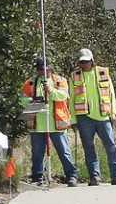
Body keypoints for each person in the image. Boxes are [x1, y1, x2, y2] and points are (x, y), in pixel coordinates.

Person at [69, 49, 116, 186]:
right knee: (89, 148)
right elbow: (71, 99)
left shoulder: (103, 73)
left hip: (103, 116)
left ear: (92, 60)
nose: (84, 64)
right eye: (82, 62)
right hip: (84, 118)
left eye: (87, 61)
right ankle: (94, 177)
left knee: (111, 146)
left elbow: (111, 93)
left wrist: (113, 112)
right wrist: (73, 120)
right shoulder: (74, 76)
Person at [21, 58, 78, 186]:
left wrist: (51, 91)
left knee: (64, 151)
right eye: (40, 69)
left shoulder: (60, 81)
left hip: (56, 124)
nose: (42, 72)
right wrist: (32, 101)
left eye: (44, 69)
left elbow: (63, 96)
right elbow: (22, 100)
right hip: (38, 124)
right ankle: (38, 177)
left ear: (50, 69)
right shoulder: (30, 82)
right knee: (37, 153)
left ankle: (71, 176)